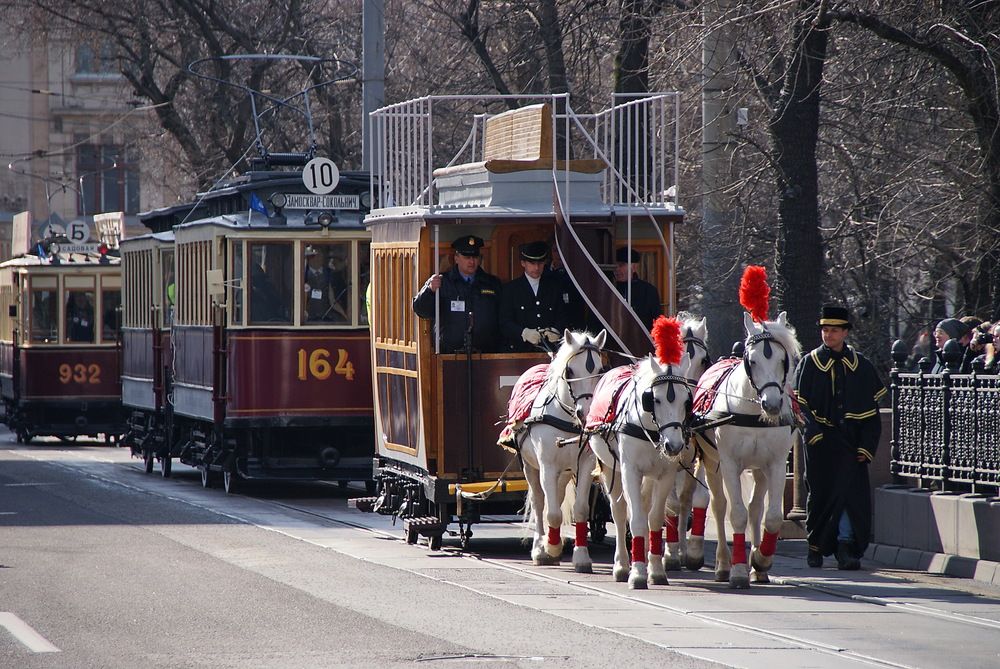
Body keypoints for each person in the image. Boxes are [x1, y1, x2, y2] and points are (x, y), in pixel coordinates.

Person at [794, 305, 886, 570]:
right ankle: (815, 547)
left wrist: (867, 447)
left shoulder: (862, 366)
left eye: (834, 330)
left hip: (850, 444)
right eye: (825, 330)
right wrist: (812, 432)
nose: (828, 335)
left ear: (845, 332)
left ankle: (846, 546)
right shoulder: (809, 363)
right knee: (820, 495)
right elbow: (800, 407)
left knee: (848, 496)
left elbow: (872, 414)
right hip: (821, 443)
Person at [412, 234, 502, 353]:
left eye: (475, 257)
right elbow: (421, 310)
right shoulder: (442, 282)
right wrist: (430, 291)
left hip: (486, 353)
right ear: (456, 258)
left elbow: (502, 316)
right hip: (449, 354)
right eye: (466, 257)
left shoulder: (492, 283)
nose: (471, 261)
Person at [499, 241, 569, 352]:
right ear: (523, 263)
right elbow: (504, 322)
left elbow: (563, 316)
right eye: (532, 263)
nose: (536, 267)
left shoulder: (554, 287)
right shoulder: (511, 289)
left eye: (540, 263)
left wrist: (556, 330)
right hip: (519, 351)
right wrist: (523, 333)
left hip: (550, 351)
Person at [614, 247, 661, 329]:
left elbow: (656, 321)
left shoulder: (648, 291)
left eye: (621, 265)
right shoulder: (609, 289)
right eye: (615, 265)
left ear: (634, 267)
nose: (617, 269)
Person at [303, 245, 348, 322]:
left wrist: (345, 317)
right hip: (309, 321)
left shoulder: (330, 274)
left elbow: (333, 300)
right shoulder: (303, 275)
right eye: (314, 256)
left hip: (326, 319)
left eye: (319, 255)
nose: (317, 259)